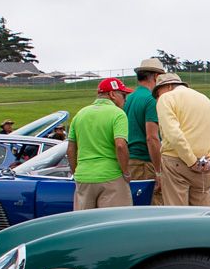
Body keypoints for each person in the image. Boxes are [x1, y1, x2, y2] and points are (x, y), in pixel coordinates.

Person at [153, 72, 210, 206]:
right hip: (205, 164)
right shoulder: (207, 101)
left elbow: (174, 134)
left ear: (169, 86)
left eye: (158, 93)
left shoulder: (166, 98)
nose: (157, 98)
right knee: (203, 213)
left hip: (176, 162)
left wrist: (191, 161)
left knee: (177, 213)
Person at [66, 78, 134, 209]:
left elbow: (70, 149)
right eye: (123, 95)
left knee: (85, 224)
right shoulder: (118, 114)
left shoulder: (80, 114)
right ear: (113, 94)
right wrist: (125, 172)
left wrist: (76, 171)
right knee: (113, 223)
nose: (125, 100)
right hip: (111, 175)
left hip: (84, 176)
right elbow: (120, 145)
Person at [124, 58, 165, 181]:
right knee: (152, 199)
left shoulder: (129, 98)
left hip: (128, 160)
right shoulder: (151, 100)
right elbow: (151, 137)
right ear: (156, 76)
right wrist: (158, 171)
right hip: (145, 163)